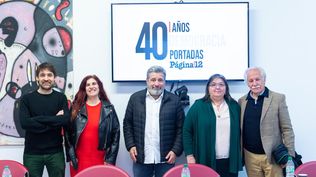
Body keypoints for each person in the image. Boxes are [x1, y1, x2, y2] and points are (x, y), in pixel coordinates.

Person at [123, 65, 185, 177]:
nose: (156, 84)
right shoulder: (135, 99)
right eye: (153, 79)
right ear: (146, 81)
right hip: (141, 157)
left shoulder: (175, 101)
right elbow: (127, 124)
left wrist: (176, 150)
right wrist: (131, 145)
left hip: (166, 158)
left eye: (160, 80)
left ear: (165, 82)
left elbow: (181, 128)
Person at [239, 67, 295, 177]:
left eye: (257, 79)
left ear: (264, 79)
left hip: (273, 156)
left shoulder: (278, 98)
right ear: (247, 83)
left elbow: (287, 129)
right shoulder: (242, 101)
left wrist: (289, 156)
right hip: (250, 157)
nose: (254, 83)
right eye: (251, 81)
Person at [183, 74, 242, 177]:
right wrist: (189, 155)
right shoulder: (198, 106)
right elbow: (187, 131)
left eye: (221, 84)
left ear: (226, 88)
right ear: (208, 88)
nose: (217, 87)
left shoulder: (234, 106)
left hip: (229, 160)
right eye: (213, 84)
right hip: (205, 158)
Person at [19, 62, 70, 177]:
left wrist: (37, 120)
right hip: (32, 154)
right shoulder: (26, 99)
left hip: (56, 153)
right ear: (37, 78)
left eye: (49, 75)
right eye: (42, 75)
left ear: (54, 78)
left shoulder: (61, 98)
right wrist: (55, 119)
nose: (46, 78)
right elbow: (25, 123)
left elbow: (65, 120)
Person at [66, 75, 120, 177]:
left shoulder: (109, 109)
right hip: (79, 160)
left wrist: (110, 159)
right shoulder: (75, 109)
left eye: (94, 83)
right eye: (88, 85)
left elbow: (116, 136)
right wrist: (71, 157)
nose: (91, 86)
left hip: (102, 160)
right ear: (84, 89)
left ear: (99, 86)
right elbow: (67, 134)